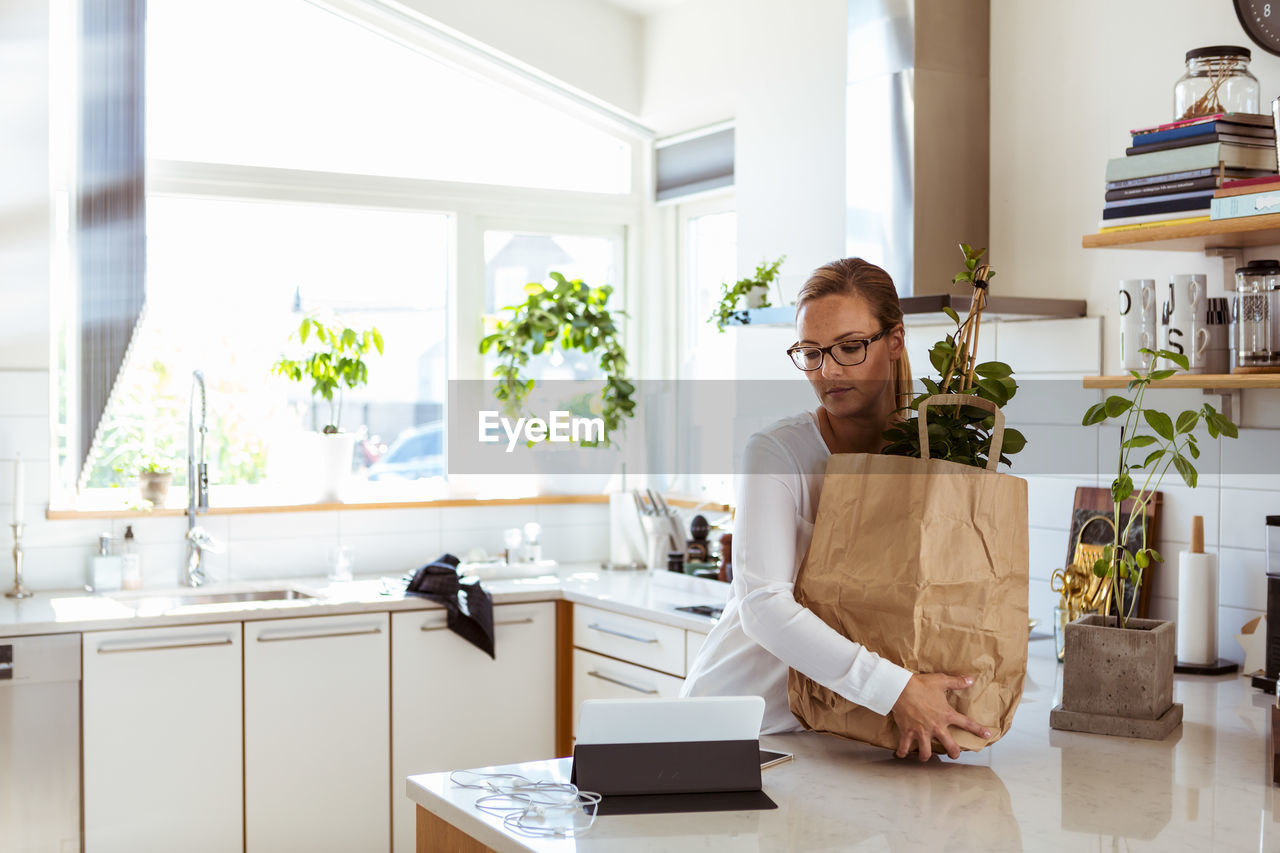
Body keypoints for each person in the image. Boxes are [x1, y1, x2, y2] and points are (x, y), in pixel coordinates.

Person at [680, 257, 992, 761]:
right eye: (810, 353)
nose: (828, 371)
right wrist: (898, 690)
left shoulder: (934, 454)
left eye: (850, 348)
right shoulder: (778, 452)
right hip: (744, 729)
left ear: (894, 342)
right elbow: (762, 606)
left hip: (853, 736)